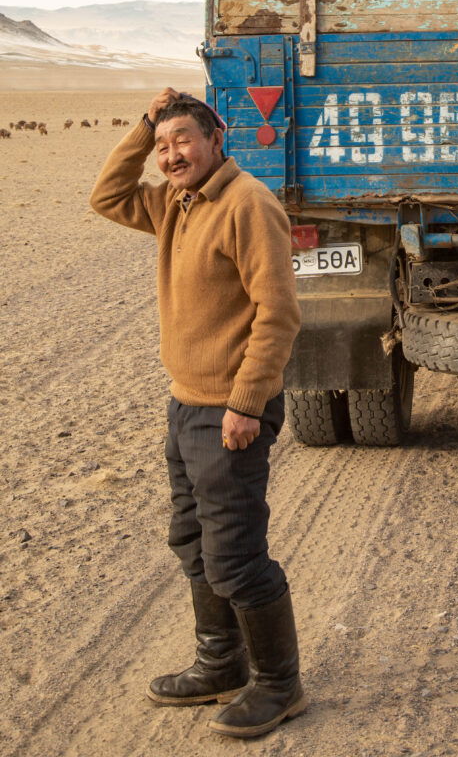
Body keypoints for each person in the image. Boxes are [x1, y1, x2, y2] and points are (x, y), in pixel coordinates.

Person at [90, 87, 304, 738]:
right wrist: (143, 125)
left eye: (183, 139)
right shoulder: (174, 204)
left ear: (218, 141)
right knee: (192, 540)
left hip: (229, 412)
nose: (171, 153)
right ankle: (220, 663)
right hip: (186, 404)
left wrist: (245, 403)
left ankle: (279, 686)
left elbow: (278, 312)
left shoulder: (246, 204)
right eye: (162, 146)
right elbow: (105, 196)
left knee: (235, 554)